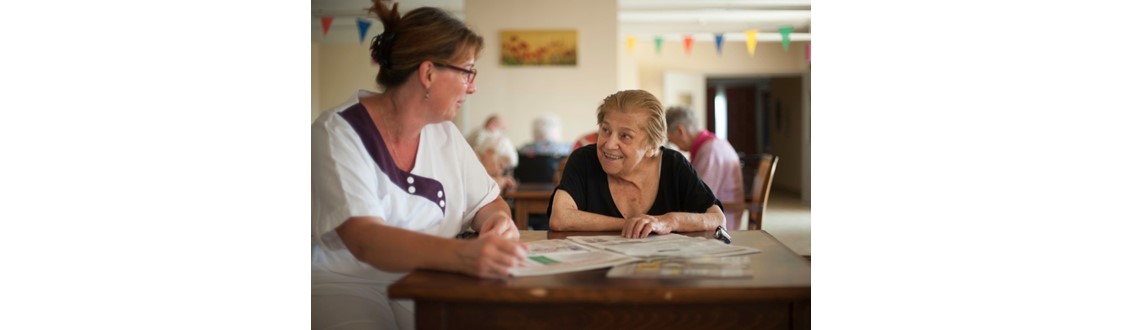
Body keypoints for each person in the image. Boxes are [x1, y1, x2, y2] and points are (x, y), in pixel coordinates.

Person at [311, 2, 527, 329]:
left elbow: (488, 202)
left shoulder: (445, 134)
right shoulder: (335, 133)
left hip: (428, 281)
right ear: (428, 73)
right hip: (348, 287)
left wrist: (497, 222)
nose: (473, 87)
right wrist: (464, 256)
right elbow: (365, 239)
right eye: (467, 72)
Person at [547, 90, 726, 238]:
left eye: (625, 136)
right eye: (606, 130)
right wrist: (633, 224)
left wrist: (668, 221)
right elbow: (560, 218)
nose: (609, 144)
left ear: (651, 147)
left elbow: (717, 219)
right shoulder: (583, 160)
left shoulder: (673, 165)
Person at [664, 106, 745, 207]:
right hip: (720, 208)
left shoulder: (710, 151)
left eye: (672, 141)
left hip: (722, 212)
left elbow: (699, 195)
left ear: (680, 131)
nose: (678, 148)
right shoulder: (711, 145)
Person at [467, 114, 518, 190]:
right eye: (500, 166)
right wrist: (497, 183)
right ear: (489, 152)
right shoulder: (480, 141)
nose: (500, 173)